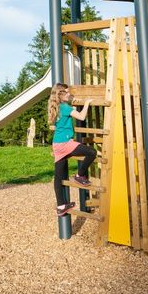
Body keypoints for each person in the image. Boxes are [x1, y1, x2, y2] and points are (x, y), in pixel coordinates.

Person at [48, 83, 97, 216]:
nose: (69, 94)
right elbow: (81, 116)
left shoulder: (57, 106)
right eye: (67, 92)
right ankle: (79, 175)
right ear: (61, 95)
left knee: (58, 177)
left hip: (57, 144)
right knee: (91, 152)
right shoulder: (65, 107)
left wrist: (73, 104)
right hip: (65, 143)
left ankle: (61, 206)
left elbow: (66, 115)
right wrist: (86, 103)